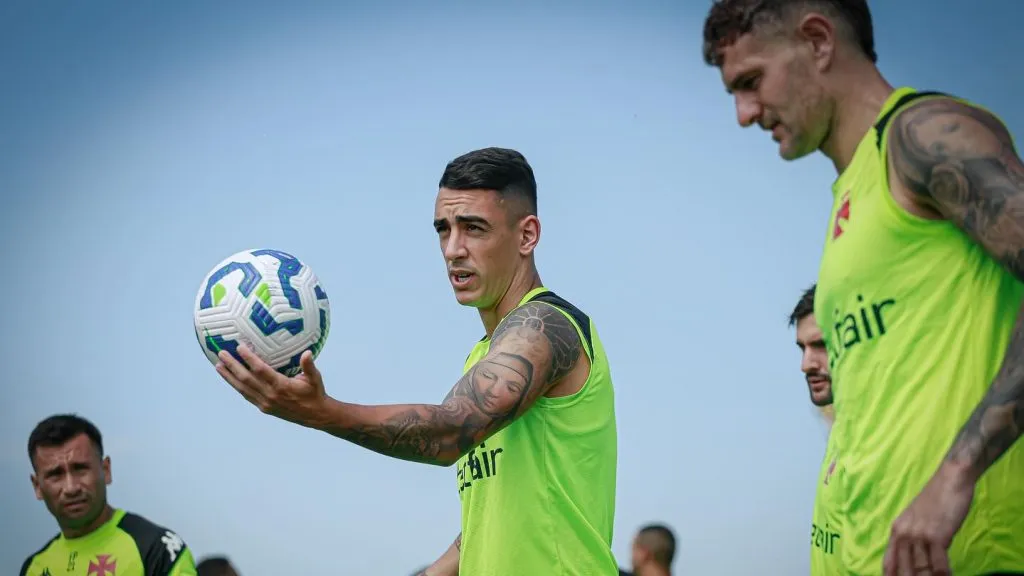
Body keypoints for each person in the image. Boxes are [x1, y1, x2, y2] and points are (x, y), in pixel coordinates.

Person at [702, 1, 1024, 574]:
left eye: (750, 82)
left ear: (819, 41)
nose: (743, 114)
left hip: (971, 555)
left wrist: (956, 474)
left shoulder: (923, 136)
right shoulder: (848, 199)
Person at [215, 147, 619, 575]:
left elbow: (448, 432)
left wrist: (322, 412)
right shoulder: (483, 355)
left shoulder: (547, 326)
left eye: (474, 228)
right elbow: (493, 516)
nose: (453, 249)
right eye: (443, 230)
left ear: (526, 236)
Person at [19, 414, 198, 576]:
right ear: (37, 487)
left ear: (106, 470)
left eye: (80, 469)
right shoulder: (33, 568)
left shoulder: (155, 548)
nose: (71, 487)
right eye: (55, 475)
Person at [789, 284, 842, 575]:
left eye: (820, 345)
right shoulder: (839, 435)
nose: (805, 364)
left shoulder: (887, 437)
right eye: (802, 348)